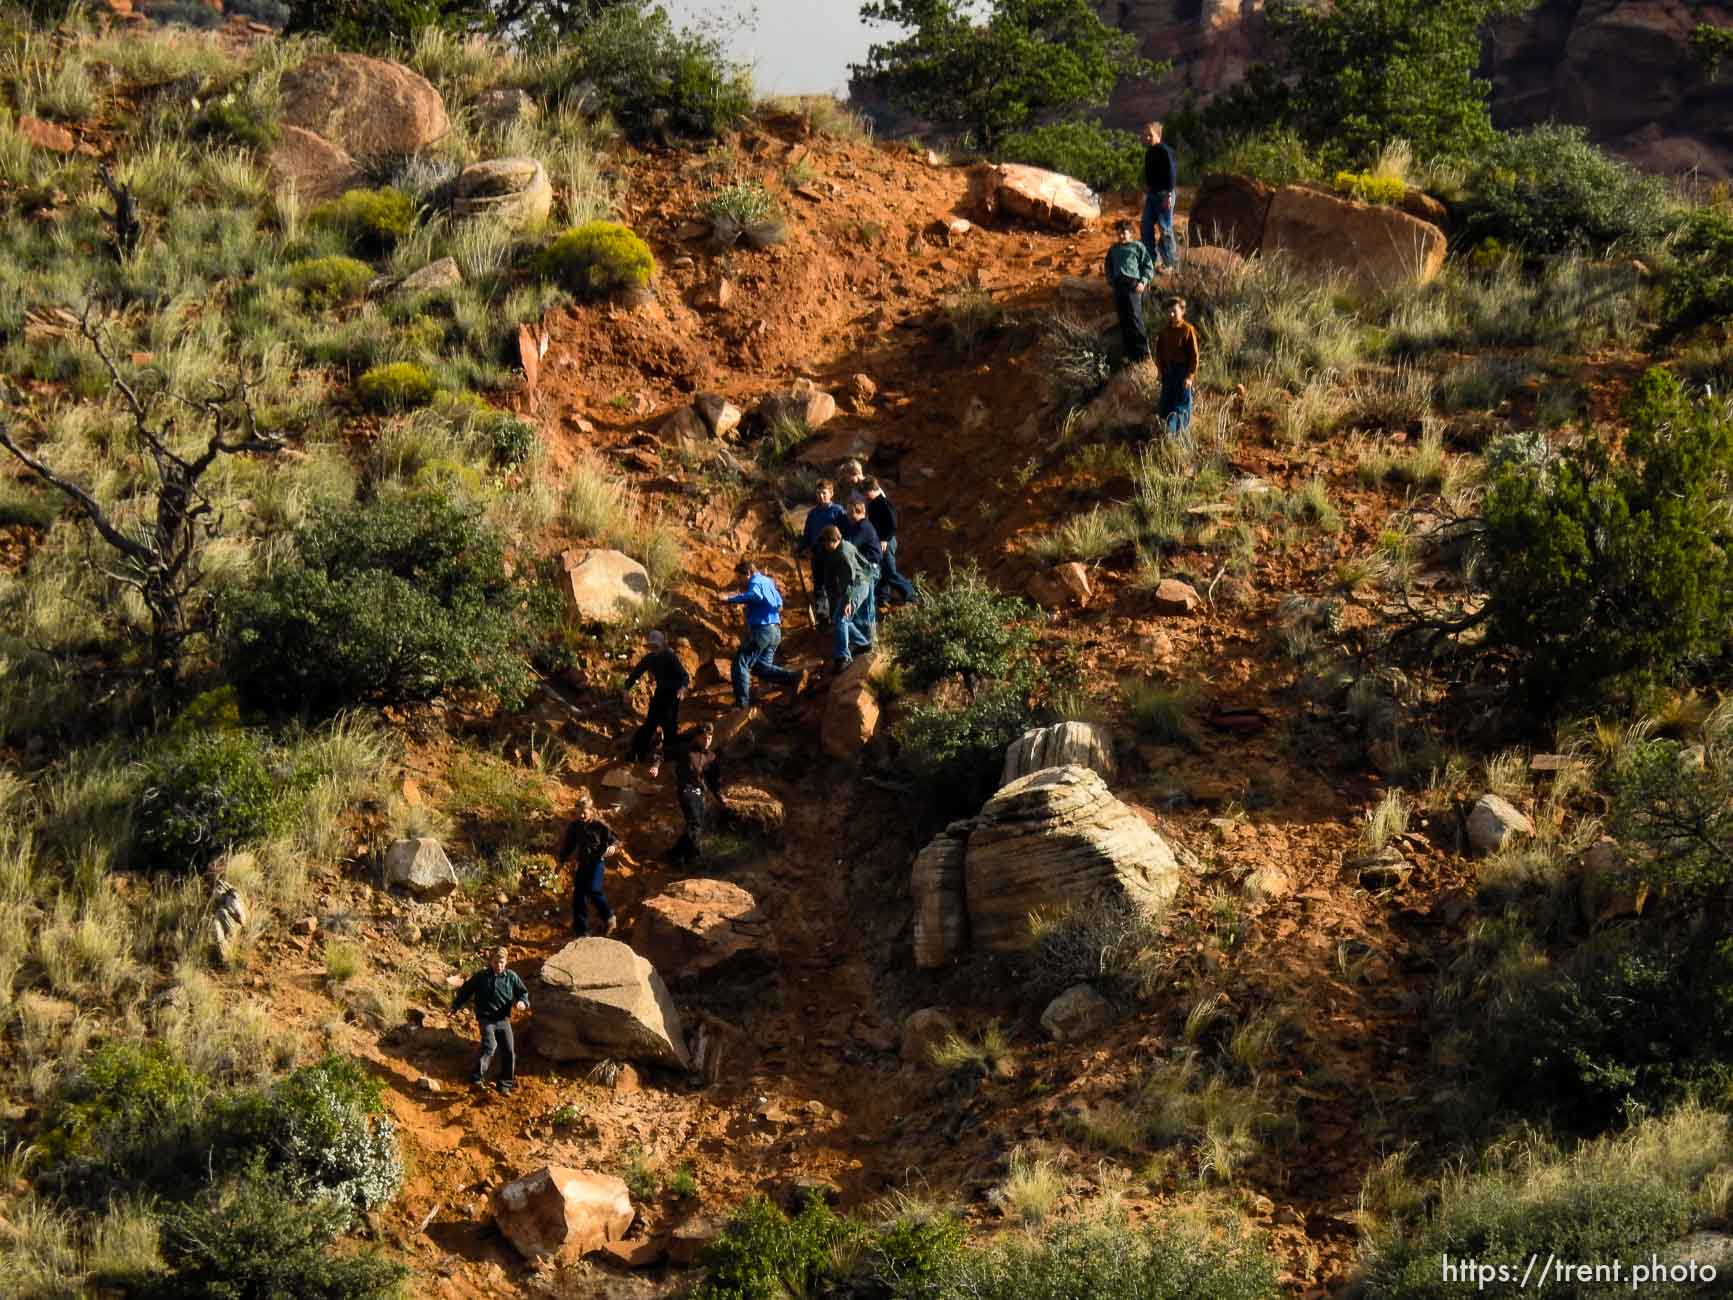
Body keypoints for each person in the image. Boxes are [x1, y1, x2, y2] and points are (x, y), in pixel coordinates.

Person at [722, 559, 804, 708]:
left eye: (740, 578)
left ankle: (742, 704)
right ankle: (794, 677)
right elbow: (779, 603)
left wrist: (730, 599)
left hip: (762, 631)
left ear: (748, 573)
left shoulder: (754, 582)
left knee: (740, 663)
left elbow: (756, 596)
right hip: (775, 631)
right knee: (761, 668)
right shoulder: (768, 581)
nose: (740, 582)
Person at [451, 945, 530, 1094]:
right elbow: (465, 991)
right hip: (486, 1019)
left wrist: (522, 1002)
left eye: (501, 962)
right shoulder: (481, 977)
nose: (499, 966)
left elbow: (523, 993)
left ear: (506, 962)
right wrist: (455, 1007)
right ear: (491, 962)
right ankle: (476, 1078)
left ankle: (505, 1084)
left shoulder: (511, 977)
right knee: (490, 1046)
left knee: (509, 1051)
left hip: (503, 1020)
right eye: (495, 962)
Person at [622, 630, 689, 776]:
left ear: (662, 646)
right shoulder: (650, 659)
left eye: (656, 646)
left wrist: (682, 689)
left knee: (669, 726)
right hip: (660, 694)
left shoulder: (670, 657)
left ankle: (669, 757)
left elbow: (684, 676)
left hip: (673, 695)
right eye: (652, 647)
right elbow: (636, 673)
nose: (654, 649)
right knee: (650, 724)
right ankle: (637, 752)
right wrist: (626, 688)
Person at [554, 790, 617, 938]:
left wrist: (613, 846)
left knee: (594, 891)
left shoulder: (600, 825)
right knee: (578, 896)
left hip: (597, 863)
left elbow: (614, 839)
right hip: (582, 864)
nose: (581, 815)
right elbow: (568, 845)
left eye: (584, 812)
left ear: (591, 810)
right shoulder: (574, 826)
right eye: (579, 812)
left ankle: (609, 917)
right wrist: (560, 862)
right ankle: (581, 931)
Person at [815, 525, 873, 670]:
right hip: (854, 585)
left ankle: (843, 657)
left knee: (842, 618)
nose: (825, 546)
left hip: (858, 585)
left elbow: (850, 579)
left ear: (833, 541)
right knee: (838, 618)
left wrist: (848, 601)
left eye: (826, 543)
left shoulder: (843, 553)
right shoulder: (835, 551)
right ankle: (862, 643)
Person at [668, 722, 722, 864]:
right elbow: (663, 752)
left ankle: (676, 855)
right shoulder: (685, 750)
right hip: (686, 791)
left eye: (709, 738)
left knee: (696, 827)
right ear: (697, 737)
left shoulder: (711, 757)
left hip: (700, 795)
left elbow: (713, 781)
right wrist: (655, 766)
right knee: (695, 824)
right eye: (704, 738)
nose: (707, 741)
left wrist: (720, 798)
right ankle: (692, 856)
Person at [1105, 220, 1155, 366]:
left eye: (1124, 232)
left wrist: (1143, 282)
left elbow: (1148, 267)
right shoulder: (1113, 250)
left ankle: (1144, 355)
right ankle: (1130, 355)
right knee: (1124, 319)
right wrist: (1111, 281)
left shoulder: (1137, 247)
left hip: (1133, 286)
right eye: (1119, 232)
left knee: (1135, 319)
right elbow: (1108, 267)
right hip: (1119, 287)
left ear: (1131, 233)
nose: (1121, 235)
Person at [797, 480, 847, 623]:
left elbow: (845, 533)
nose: (821, 496)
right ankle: (823, 618)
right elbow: (808, 534)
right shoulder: (813, 514)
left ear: (831, 494)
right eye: (818, 493)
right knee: (819, 586)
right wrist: (800, 547)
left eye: (824, 493)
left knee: (833, 586)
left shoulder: (838, 511)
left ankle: (836, 617)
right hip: (817, 553)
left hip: (833, 554)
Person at [865, 479, 918, 607]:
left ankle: (911, 594)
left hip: (887, 542)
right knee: (882, 570)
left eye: (866, 492)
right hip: (878, 542)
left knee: (889, 572)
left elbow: (893, 524)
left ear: (872, 489)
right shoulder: (872, 504)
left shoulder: (884, 503)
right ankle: (883, 598)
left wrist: (885, 539)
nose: (865, 495)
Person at [1154, 294, 1201, 435]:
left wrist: (1190, 376)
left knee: (1181, 406)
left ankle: (1176, 437)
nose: (1172, 314)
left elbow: (1194, 356)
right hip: (1169, 372)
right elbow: (1160, 352)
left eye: (1175, 310)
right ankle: (1165, 434)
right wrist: (1161, 371)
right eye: (1169, 311)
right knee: (1166, 404)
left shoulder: (1187, 329)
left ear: (1182, 311)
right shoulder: (1165, 331)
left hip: (1182, 372)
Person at [841, 496, 882, 643]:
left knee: (867, 605)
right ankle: (866, 640)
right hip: (865, 569)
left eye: (850, 513)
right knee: (864, 605)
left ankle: (871, 641)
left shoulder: (863, 527)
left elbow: (851, 546)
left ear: (858, 512)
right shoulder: (858, 526)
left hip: (869, 569)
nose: (848, 516)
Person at [1141, 120, 1179, 273]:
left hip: (1164, 194)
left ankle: (1170, 263)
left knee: (1165, 229)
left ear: (1158, 135)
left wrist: (1169, 194)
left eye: (1150, 135)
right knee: (1146, 226)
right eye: (1145, 135)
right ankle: (1151, 261)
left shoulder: (1164, 151)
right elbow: (1149, 174)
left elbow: (1171, 173)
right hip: (1152, 195)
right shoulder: (1149, 152)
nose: (1147, 138)